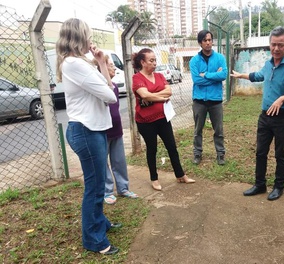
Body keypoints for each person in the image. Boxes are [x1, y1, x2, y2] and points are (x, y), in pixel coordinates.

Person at [56, 18, 120, 255]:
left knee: (97, 183)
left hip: (92, 129)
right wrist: (100, 69)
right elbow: (111, 95)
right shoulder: (75, 64)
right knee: (94, 187)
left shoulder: (80, 63)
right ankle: (94, 239)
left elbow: (108, 85)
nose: (91, 40)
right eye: (88, 35)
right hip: (86, 130)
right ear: (78, 38)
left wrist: (102, 61)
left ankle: (100, 224)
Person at [230, 26, 284, 201]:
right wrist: (242, 75)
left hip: (282, 118)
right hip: (265, 116)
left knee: (280, 154)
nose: (276, 49)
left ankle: (278, 186)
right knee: (260, 152)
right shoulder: (268, 63)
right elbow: (259, 76)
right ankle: (260, 184)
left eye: (280, 45)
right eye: (273, 44)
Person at [131, 48, 195, 191]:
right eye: (151, 60)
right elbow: (144, 95)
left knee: (172, 147)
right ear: (142, 62)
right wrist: (160, 97)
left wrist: (152, 95)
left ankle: (180, 175)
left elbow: (169, 91)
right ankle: (154, 179)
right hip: (145, 121)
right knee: (152, 149)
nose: (154, 63)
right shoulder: (137, 78)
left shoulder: (159, 75)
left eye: (155, 60)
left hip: (162, 118)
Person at [93, 56, 139, 205]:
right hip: (103, 130)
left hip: (116, 128)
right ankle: (107, 191)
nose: (113, 68)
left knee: (119, 160)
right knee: (103, 163)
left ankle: (123, 188)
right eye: (110, 65)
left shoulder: (114, 86)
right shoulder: (97, 87)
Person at [189, 30, 228, 165]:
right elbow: (196, 80)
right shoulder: (194, 61)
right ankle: (197, 153)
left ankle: (220, 154)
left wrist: (205, 75)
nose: (208, 42)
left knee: (219, 129)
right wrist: (214, 77)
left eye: (210, 40)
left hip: (215, 100)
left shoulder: (220, 58)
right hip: (199, 100)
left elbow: (223, 75)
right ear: (200, 43)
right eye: (205, 40)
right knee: (197, 130)